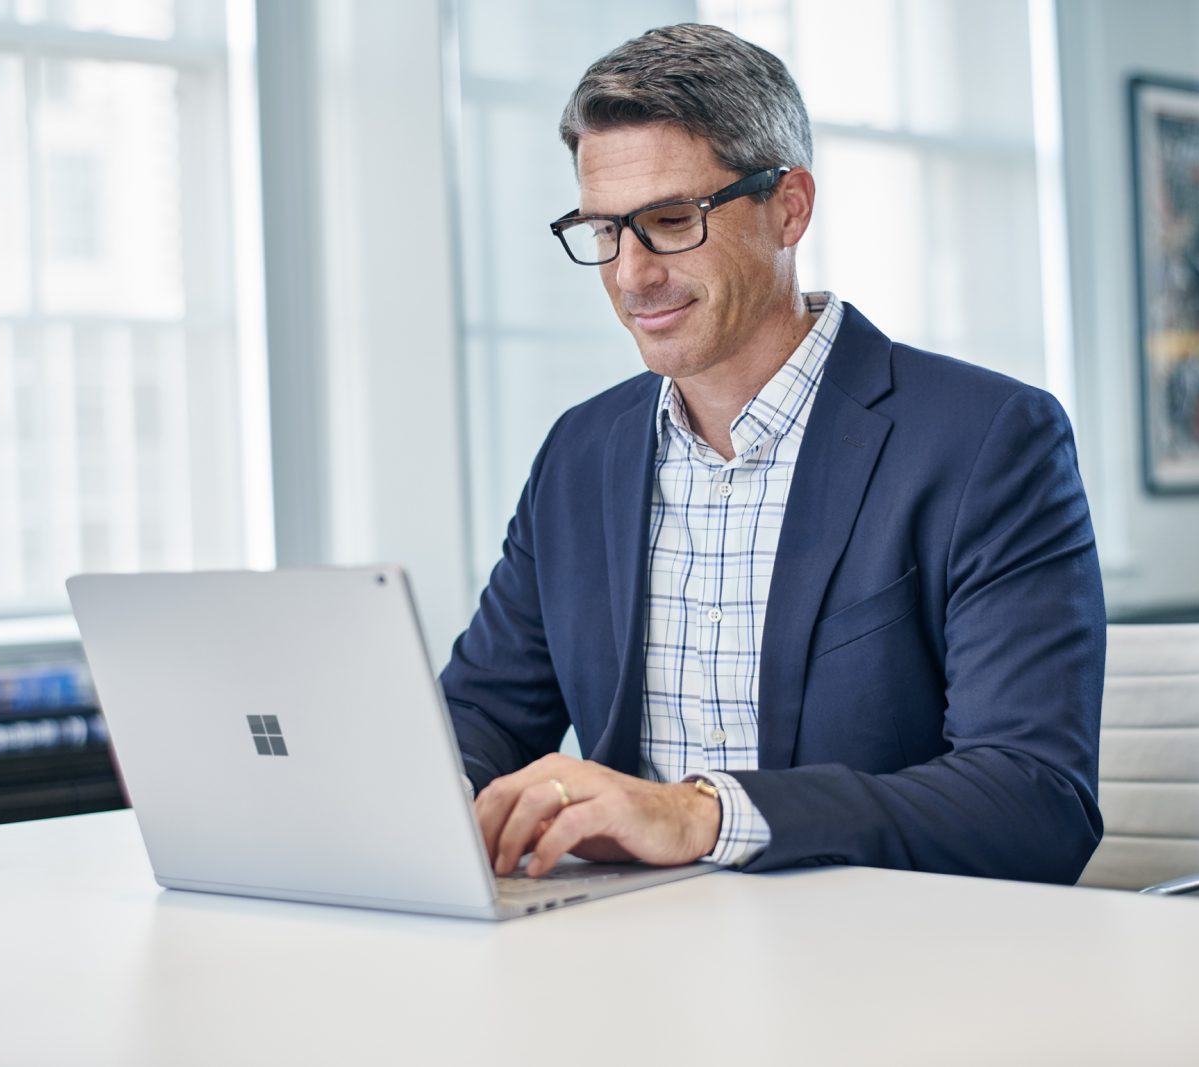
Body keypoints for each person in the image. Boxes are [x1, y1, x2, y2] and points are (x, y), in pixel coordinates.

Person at [440, 23, 1105, 883]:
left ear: (789, 207)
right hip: (624, 935)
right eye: (605, 230)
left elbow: (1034, 800)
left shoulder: (988, 440)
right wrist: (421, 798)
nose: (632, 274)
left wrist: (701, 814)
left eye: (670, 221)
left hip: (879, 940)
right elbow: (483, 717)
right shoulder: (579, 453)